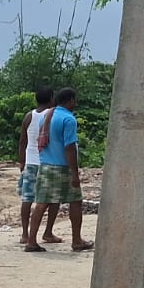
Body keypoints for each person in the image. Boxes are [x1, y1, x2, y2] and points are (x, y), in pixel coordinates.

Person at [27, 88, 93, 253]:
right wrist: (75, 173)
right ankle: (77, 240)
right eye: (74, 100)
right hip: (62, 167)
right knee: (75, 201)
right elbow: (70, 147)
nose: (75, 103)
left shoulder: (47, 116)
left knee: (41, 203)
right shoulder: (68, 119)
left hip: (45, 165)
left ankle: (31, 241)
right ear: (70, 100)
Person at [17, 86, 60, 245]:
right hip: (47, 162)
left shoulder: (29, 116)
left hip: (30, 161)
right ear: (51, 98)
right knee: (53, 199)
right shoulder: (52, 115)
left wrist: (22, 161)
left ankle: (24, 233)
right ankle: (48, 232)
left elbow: (22, 141)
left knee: (27, 198)